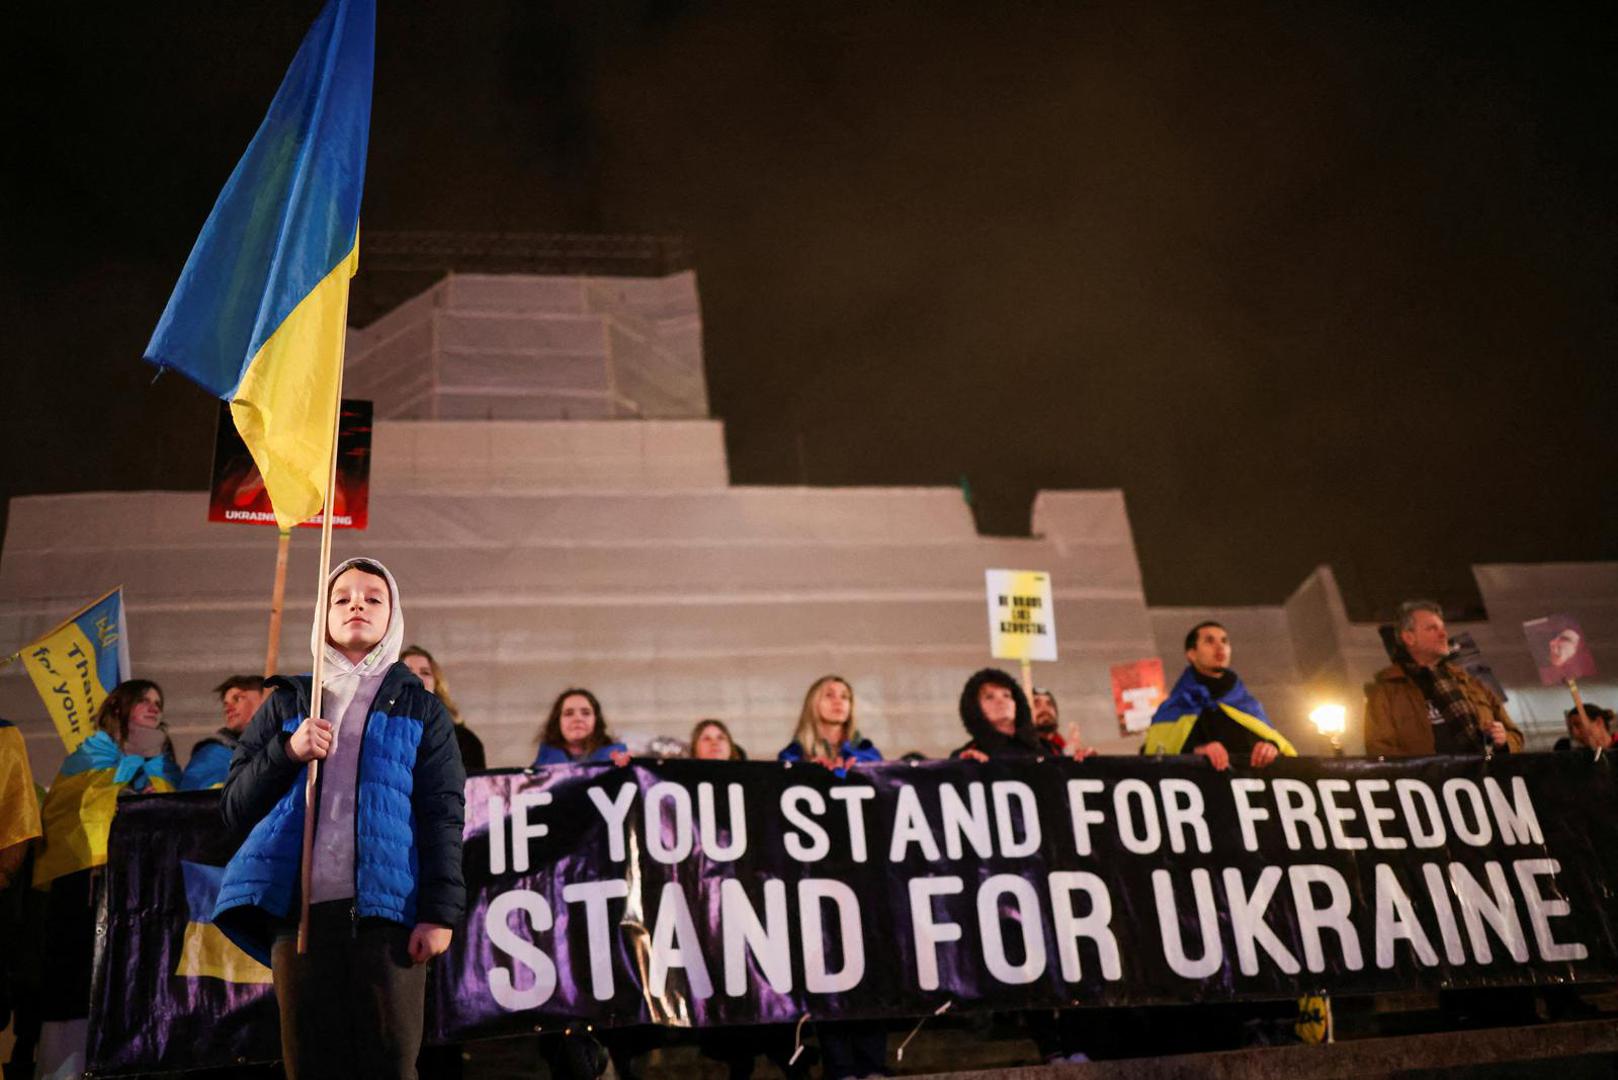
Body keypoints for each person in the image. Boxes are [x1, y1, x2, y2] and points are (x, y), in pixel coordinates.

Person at [213, 558, 466, 1080]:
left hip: (388, 916)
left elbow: (442, 814)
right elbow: (234, 807)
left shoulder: (422, 709)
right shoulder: (288, 701)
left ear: (393, 616)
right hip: (298, 915)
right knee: (310, 1065)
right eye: (343, 596)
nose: (357, 604)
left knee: (389, 1063)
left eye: (373, 597)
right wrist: (288, 750)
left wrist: (439, 912)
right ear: (321, 615)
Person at [34, 680, 181, 1080]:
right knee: (80, 978)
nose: (153, 708)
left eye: (158, 702)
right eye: (143, 701)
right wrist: (133, 772)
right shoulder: (91, 752)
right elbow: (70, 807)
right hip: (87, 878)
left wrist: (153, 780)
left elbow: (173, 808)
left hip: (137, 885)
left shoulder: (163, 760)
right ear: (120, 707)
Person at [1364, 601, 1523, 757]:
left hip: (1483, 780)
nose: (1443, 634)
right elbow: (1379, 749)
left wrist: (1503, 741)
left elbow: (1515, 736)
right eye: (1432, 628)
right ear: (1409, 637)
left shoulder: (1471, 683)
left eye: (1442, 628)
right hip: (1430, 783)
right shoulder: (1386, 692)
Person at [1143, 621, 1294, 769]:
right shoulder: (1175, 706)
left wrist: (1271, 747)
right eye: (1209, 641)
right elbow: (1155, 756)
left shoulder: (1247, 703)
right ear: (1192, 654)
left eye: (1224, 641)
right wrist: (1196, 752)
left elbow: (1277, 745)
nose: (1220, 646)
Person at [402, 645, 486, 772]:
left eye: (425, 672)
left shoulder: (464, 740)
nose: (417, 678)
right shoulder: (378, 730)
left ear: (436, 684)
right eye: (408, 672)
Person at [777, 675, 882, 771]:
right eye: (829, 695)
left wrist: (860, 768)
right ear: (813, 703)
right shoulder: (793, 754)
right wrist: (807, 771)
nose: (838, 702)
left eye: (844, 697)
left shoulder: (868, 753)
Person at [180, 675, 266, 790]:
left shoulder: (290, 746)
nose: (228, 708)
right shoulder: (212, 755)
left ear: (265, 701)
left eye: (238, 699)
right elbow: (195, 800)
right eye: (225, 704)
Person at [531, 688, 629, 766]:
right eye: (569, 713)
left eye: (586, 713)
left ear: (596, 720)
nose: (577, 718)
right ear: (557, 721)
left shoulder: (619, 760)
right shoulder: (538, 770)